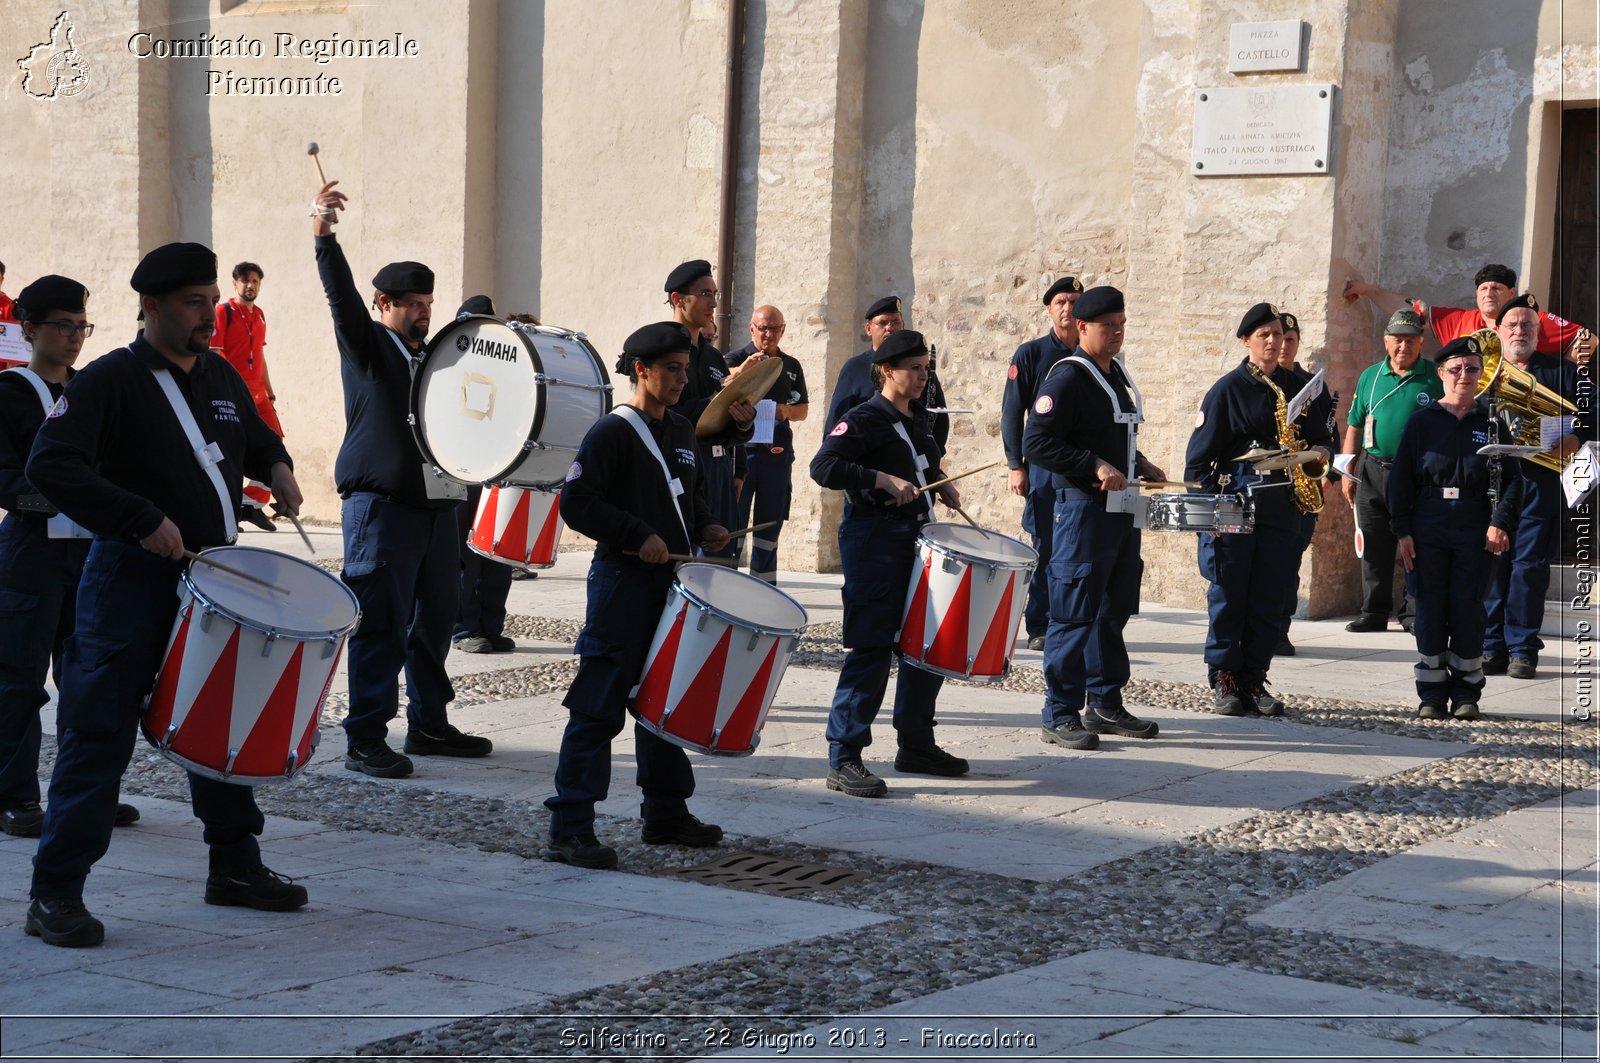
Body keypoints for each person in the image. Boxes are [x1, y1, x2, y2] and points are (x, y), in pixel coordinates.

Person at [23, 243, 307, 947]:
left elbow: (258, 435)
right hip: (128, 581)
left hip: (210, 576)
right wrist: (138, 517)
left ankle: (235, 865)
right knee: (97, 731)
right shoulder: (109, 381)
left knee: (221, 724)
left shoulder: (219, 375)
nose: (208, 314)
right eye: (192, 303)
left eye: (211, 300)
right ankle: (55, 891)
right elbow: (50, 464)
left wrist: (278, 465)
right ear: (150, 307)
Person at [311, 179, 492, 778]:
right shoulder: (369, 346)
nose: (422, 310)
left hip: (438, 505)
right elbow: (339, 300)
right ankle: (365, 735)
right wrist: (323, 236)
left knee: (436, 621)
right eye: (410, 302)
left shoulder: (435, 357)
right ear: (383, 303)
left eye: (427, 302)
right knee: (380, 624)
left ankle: (430, 724)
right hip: (381, 507)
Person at [544, 322, 730, 869]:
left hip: (671, 586)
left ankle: (665, 811)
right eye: (671, 369)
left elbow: (687, 499)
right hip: (623, 586)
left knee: (662, 704)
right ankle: (570, 825)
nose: (681, 378)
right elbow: (577, 503)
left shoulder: (680, 429)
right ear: (641, 370)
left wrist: (708, 527)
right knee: (598, 707)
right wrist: (636, 535)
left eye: (684, 368)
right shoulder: (612, 433)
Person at [0, 276, 140, 839]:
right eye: (61, 325)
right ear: (28, 329)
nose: (74, 337)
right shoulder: (10, 393)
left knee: (90, 681)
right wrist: (62, 497)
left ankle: (83, 796)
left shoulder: (93, 391)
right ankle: (12, 796)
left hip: (93, 554)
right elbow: (6, 479)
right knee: (18, 681)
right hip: (31, 554)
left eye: (81, 326)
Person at [809, 329, 966, 798]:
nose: (923, 377)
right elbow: (824, 467)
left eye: (925, 368)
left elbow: (922, 464)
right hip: (874, 540)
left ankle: (915, 744)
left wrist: (941, 482)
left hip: (917, 541)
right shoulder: (862, 418)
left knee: (924, 645)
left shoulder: (916, 417)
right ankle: (845, 755)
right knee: (872, 648)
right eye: (914, 369)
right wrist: (879, 478)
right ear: (887, 371)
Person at [1022, 285, 1164, 750]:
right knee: (1073, 611)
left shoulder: (1115, 374)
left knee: (1112, 610)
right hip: (1082, 511)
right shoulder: (1068, 377)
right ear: (1082, 327)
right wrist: (1093, 465)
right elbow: (1037, 442)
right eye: (1108, 325)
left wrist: (1139, 463)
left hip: (1120, 511)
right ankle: (1059, 711)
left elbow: (1109, 434)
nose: (1117, 332)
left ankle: (1104, 701)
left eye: (1121, 323)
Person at [1186, 303, 1334, 717]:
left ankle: (1255, 676)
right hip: (1236, 504)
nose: (1273, 342)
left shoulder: (1300, 387)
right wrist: (1206, 516)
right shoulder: (1226, 390)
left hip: (1284, 508)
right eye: (1263, 335)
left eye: (1278, 335)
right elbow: (1197, 461)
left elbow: (1324, 437)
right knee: (1230, 594)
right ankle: (1225, 680)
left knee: (1271, 597)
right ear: (1246, 341)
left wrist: (1322, 451)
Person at [1389, 334, 1520, 719]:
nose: (1464, 375)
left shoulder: (1493, 424)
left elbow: (1514, 480)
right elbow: (1400, 480)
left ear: (1481, 374)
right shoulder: (1421, 423)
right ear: (1442, 373)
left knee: (1467, 608)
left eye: (1472, 368)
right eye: (1456, 368)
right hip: (1428, 522)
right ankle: (1431, 693)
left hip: (1474, 523)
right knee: (1428, 608)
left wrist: (1500, 523)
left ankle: (1466, 693)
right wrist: (1402, 530)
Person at [1482, 293, 1593, 679]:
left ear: (1538, 331)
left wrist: (1577, 436)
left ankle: (1522, 650)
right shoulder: (1483, 371)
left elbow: (1595, 411)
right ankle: (1490, 647)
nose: (1519, 330)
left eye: (1527, 324)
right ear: (1499, 330)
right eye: (1512, 325)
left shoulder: (1562, 372)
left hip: (1538, 484)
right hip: (1493, 484)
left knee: (1529, 568)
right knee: (1493, 566)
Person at [1339, 308, 1441, 634]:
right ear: (1386, 341)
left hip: (1416, 474)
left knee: (1417, 545)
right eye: (1398, 340)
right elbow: (1354, 424)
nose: (1403, 347)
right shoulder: (1370, 376)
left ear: (1421, 342)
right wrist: (1345, 468)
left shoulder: (1435, 377)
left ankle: (1411, 613)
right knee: (1373, 543)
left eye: (1410, 341)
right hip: (1372, 469)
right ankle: (1374, 611)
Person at [1002, 276, 1083, 652]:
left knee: (1079, 547)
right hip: (1044, 468)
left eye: (1074, 301)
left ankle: (1071, 620)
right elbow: (1011, 412)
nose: (1068, 308)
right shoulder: (1031, 354)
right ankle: (1039, 623)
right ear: (1050, 309)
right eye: (1061, 302)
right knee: (1046, 545)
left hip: (1083, 466)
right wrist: (1015, 465)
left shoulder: (1092, 355)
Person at [664, 261, 752, 560]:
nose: (714, 302)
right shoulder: (660, 350)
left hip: (717, 470)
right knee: (685, 568)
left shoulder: (714, 357)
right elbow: (664, 415)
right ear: (678, 299)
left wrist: (742, 422)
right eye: (704, 293)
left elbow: (725, 427)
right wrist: (717, 399)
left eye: (715, 294)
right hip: (681, 467)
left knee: (722, 566)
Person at [1344, 263, 1593, 360]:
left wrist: (1564, 376)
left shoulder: (1531, 321)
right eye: (1483, 288)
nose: (1488, 293)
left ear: (1511, 293)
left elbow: (1588, 339)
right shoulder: (1458, 321)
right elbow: (1409, 309)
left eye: (1496, 288)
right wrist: (1366, 289)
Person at [450, 295, 517, 653]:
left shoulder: (506, 370)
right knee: (465, 557)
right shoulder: (447, 367)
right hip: (463, 473)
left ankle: (491, 626)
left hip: (498, 472)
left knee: (498, 556)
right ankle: (463, 629)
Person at [724, 305, 809, 582]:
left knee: (769, 525)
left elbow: (803, 410)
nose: (768, 334)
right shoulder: (733, 359)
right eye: (763, 328)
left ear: (782, 330)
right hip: (741, 456)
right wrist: (740, 371)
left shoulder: (791, 365)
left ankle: (764, 589)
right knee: (733, 522)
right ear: (752, 329)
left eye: (774, 329)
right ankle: (728, 585)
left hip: (776, 456)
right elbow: (718, 393)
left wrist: (785, 411)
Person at [1273, 311, 1336, 655]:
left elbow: (1330, 435)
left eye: (1290, 339)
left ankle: (1280, 630)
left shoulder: (1312, 386)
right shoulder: (1261, 382)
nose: (1283, 345)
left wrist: (1324, 458)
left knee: (1290, 565)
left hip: (1301, 490)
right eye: (1278, 337)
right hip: (1270, 486)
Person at [827, 296, 949, 451]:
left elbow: (938, 415)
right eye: (883, 323)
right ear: (869, 329)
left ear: (903, 325)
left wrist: (933, 458)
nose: (890, 328)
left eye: (895, 322)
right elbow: (836, 423)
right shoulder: (854, 368)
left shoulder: (917, 365)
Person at [212, 261, 280, 532]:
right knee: (233, 451)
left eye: (255, 281)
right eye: (245, 280)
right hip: (234, 391)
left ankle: (250, 504)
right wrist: (230, 389)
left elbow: (260, 356)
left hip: (259, 393)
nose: (250, 285)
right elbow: (216, 353)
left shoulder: (260, 314)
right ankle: (227, 507)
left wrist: (270, 391)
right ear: (235, 283)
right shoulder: (223, 312)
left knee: (275, 445)